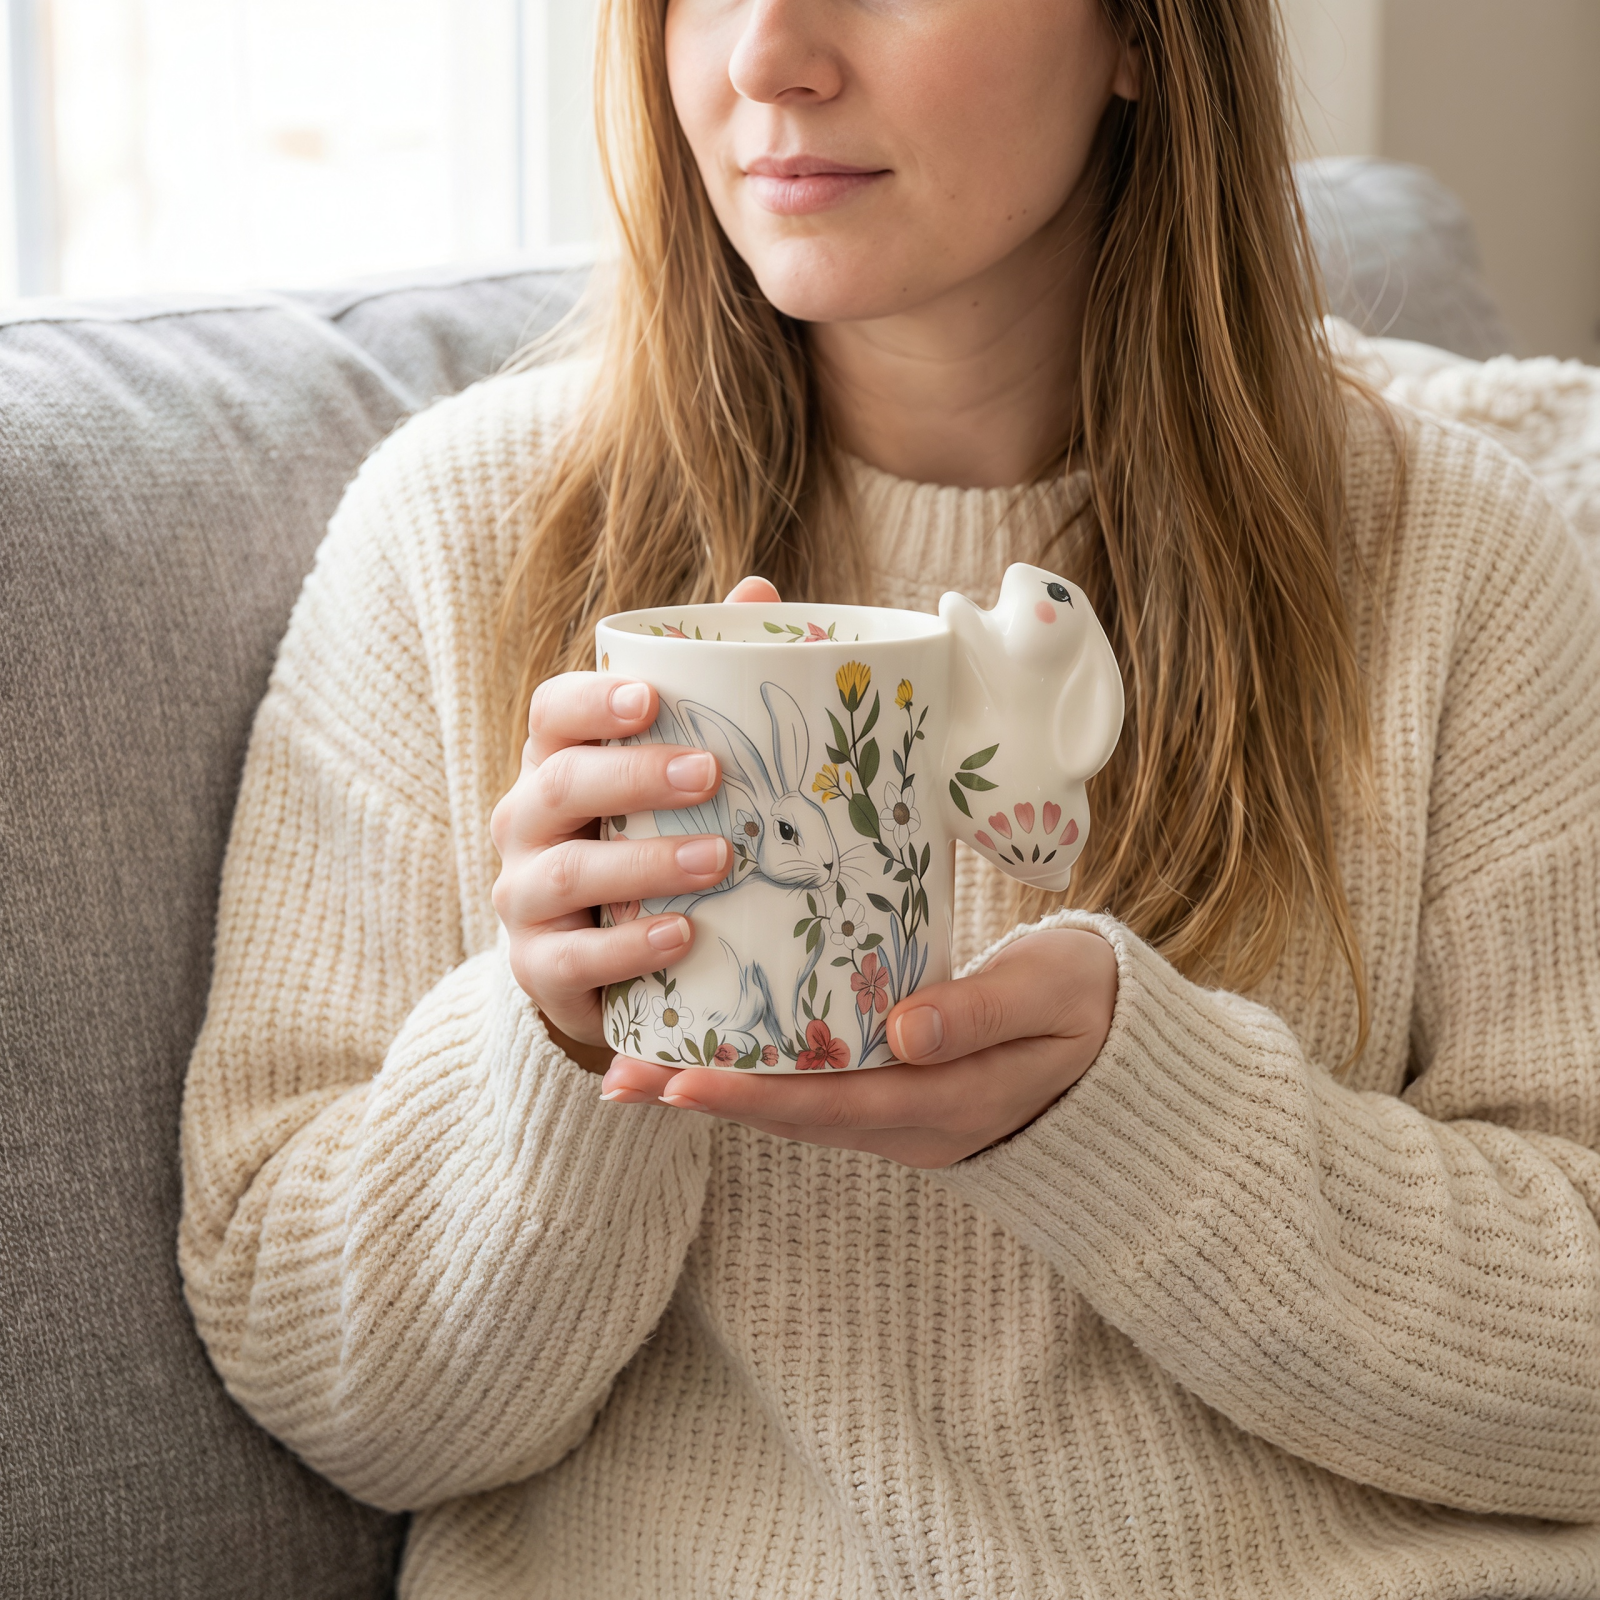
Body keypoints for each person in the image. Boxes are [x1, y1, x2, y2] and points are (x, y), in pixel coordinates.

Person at [179, 0, 1600, 1593]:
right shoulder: (462, 544)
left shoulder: (1460, 562)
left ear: (1141, 33)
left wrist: (1140, 1119)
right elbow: (335, 1389)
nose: (765, 57)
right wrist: (552, 1048)